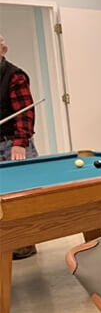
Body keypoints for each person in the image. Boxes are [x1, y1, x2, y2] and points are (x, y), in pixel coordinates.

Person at [0, 34, 39, 259]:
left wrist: (20, 143)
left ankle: (25, 244)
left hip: (12, 144)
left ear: (3, 49)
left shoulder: (15, 76)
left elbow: (25, 112)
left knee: (22, 197)